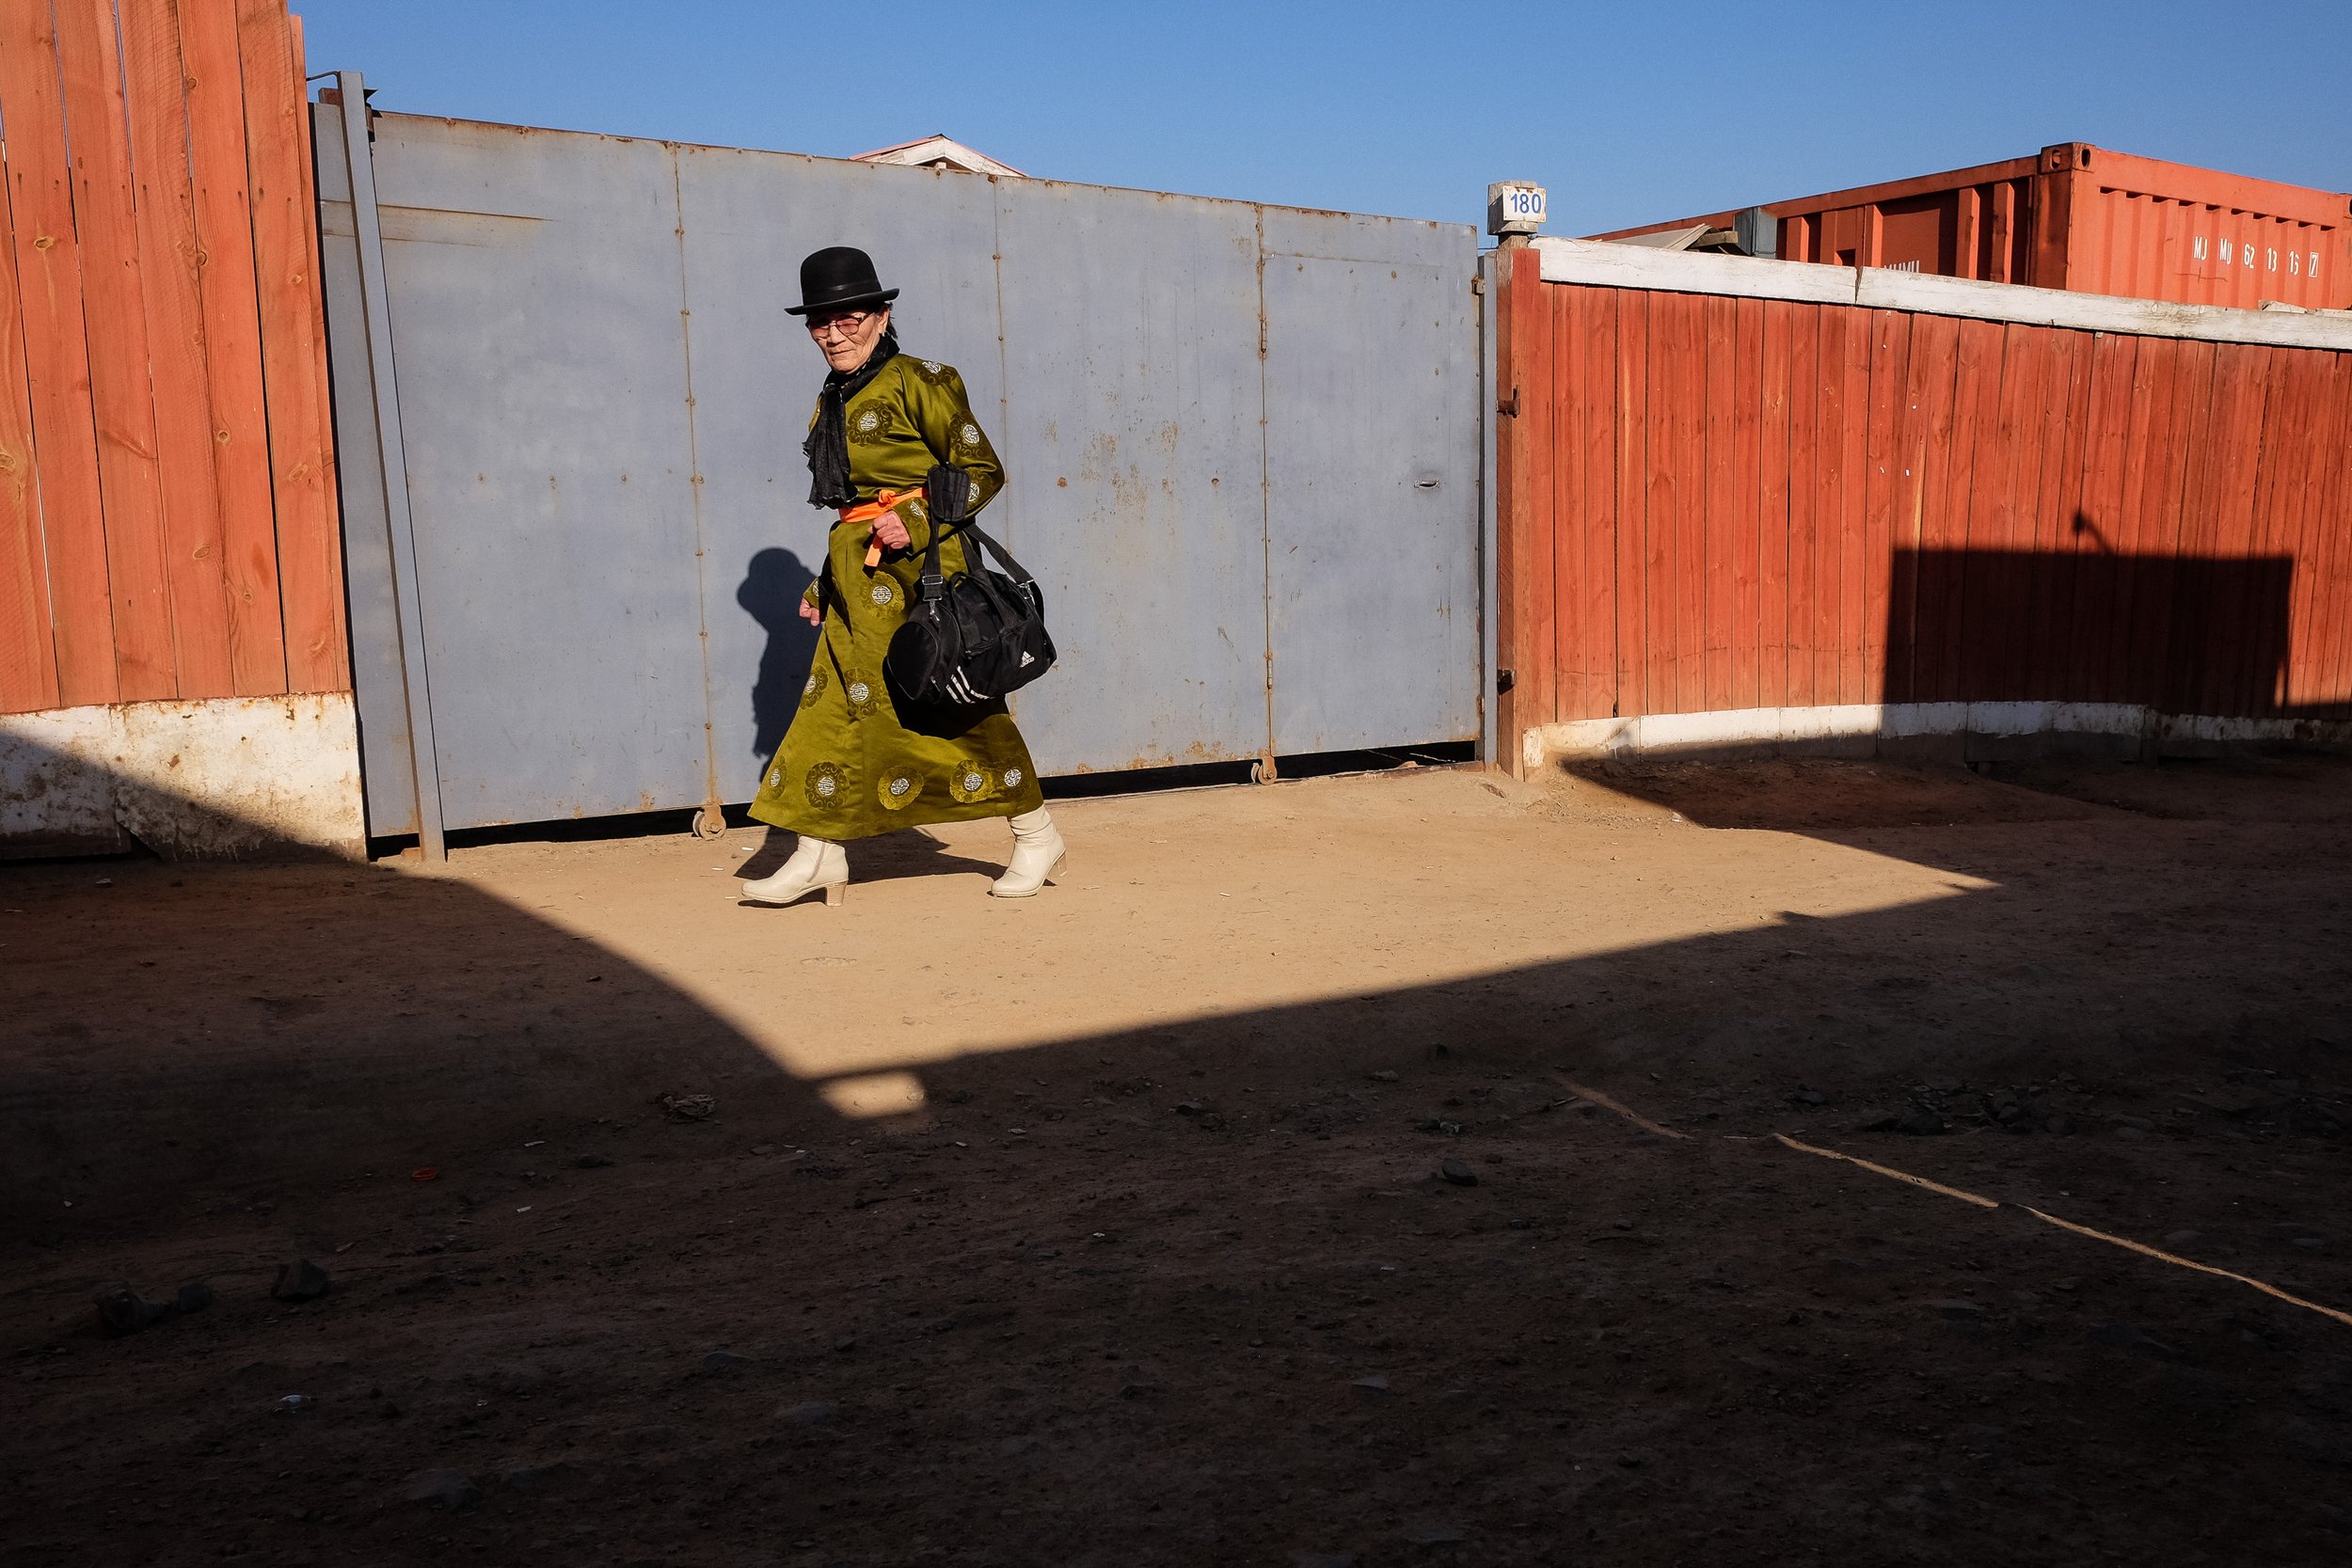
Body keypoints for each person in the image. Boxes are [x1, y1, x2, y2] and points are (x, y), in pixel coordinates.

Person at [741, 246, 1065, 907]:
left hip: (925, 577)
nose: (834, 334)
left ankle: (1037, 834)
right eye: (819, 324)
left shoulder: (924, 379)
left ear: (882, 317)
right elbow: (851, 509)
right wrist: (824, 582)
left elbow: (982, 470)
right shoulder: (830, 399)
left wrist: (915, 523)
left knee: (956, 709)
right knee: (827, 712)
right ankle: (818, 854)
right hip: (857, 584)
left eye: (849, 319)